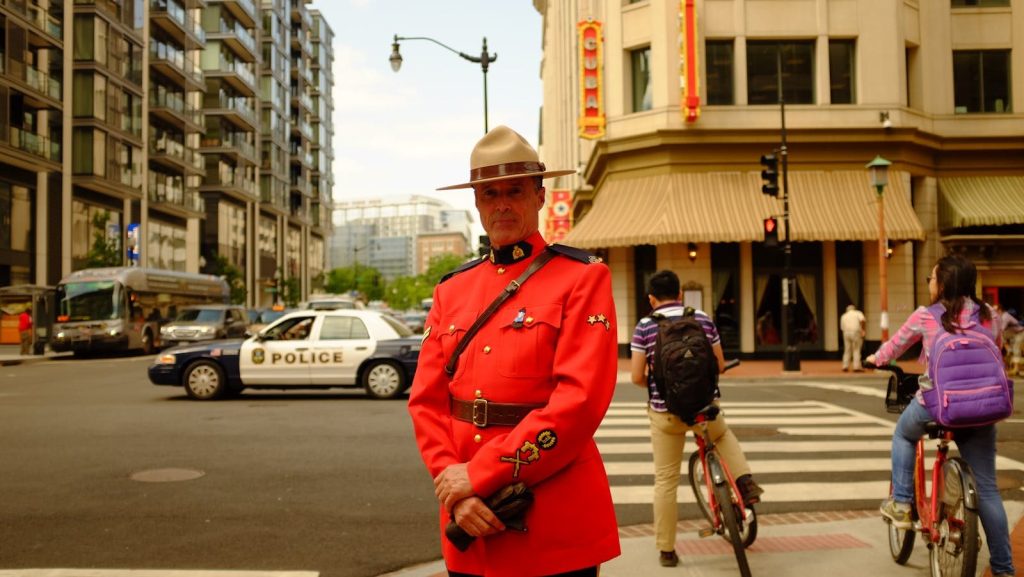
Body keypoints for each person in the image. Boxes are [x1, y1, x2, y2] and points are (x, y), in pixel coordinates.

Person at [407, 125, 620, 577]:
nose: (502, 204)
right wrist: (455, 488)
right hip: (469, 519)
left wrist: (479, 476)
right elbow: (426, 402)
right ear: (477, 202)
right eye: (490, 193)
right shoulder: (452, 289)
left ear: (540, 196)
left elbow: (578, 402)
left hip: (552, 518)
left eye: (515, 191)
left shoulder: (583, 278)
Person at [867, 255, 1015, 577]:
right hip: (984, 408)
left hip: (939, 404)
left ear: (943, 284)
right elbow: (997, 353)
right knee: (987, 489)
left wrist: (875, 359)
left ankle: (903, 504)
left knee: (904, 434)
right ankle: (1004, 569)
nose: (929, 285)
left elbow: (893, 348)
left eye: (931, 279)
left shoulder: (926, 315)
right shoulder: (990, 315)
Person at [630, 269, 763, 568]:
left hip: (666, 414)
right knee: (722, 435)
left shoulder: (644, 327)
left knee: (665, 480)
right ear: (679, 295)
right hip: (705, 408)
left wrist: (656, 381)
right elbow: (718, 364)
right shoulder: (701, 317)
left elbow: (637, 376)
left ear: (651, 299)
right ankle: (745, 485)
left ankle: (666, 549)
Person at [840, 304, 867, 372]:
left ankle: (845, 365)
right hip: (855, 332)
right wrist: (863, 330)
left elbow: (842, 327)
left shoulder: (844, 316)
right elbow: (863, 320)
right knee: (856, 349)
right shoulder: (858, 313)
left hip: (846, 332)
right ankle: (856, 366)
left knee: (847, 349)